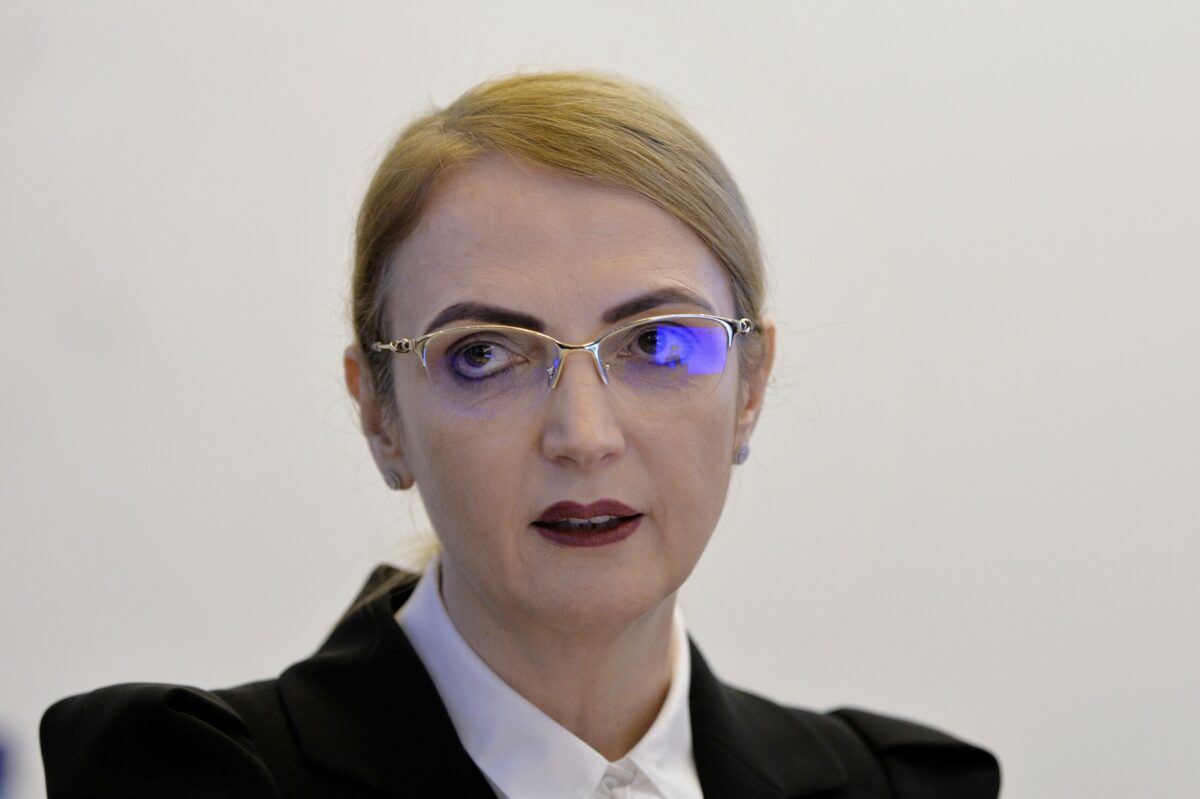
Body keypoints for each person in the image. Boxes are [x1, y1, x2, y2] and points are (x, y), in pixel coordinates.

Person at [40, 71, 1000, 798]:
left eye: (658, 343)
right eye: (484, 355)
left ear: (750, 387)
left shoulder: (898, 786)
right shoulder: (193, 777)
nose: (583, 435)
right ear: (380, 416)